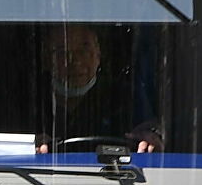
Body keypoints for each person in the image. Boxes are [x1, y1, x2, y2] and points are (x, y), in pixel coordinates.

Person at [33, 24, 163, 154]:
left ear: (98, 55)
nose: (75, 61)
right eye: (62, 52)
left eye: (84, 51)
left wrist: (149, 138)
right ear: (46, 59)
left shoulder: (125, 96)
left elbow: (149, 130)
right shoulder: (30, 99)